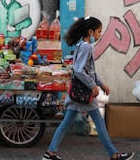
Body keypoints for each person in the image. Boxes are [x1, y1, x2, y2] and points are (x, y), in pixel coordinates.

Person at [42, 16, 134, 160]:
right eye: (99, 31)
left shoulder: (81, 45)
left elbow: (89, 70)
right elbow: (79, 70)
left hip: (77, 92)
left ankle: (50, 153)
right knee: (100, 124)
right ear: (90, 32)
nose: (100, 35)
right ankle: (114, 155)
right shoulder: (87, 46)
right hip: (84, 93)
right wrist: (93, 86)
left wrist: (101, 84)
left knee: (66, 123)